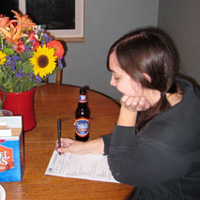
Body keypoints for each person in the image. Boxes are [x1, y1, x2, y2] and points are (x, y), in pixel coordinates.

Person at [56, 27, 200, 199]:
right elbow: (133, 139)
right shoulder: (175, 89)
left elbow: (120, 170)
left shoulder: (165, 139)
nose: (111, 82)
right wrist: (83, 147)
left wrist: (127, 112)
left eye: (117, 77)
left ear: (145, 78)